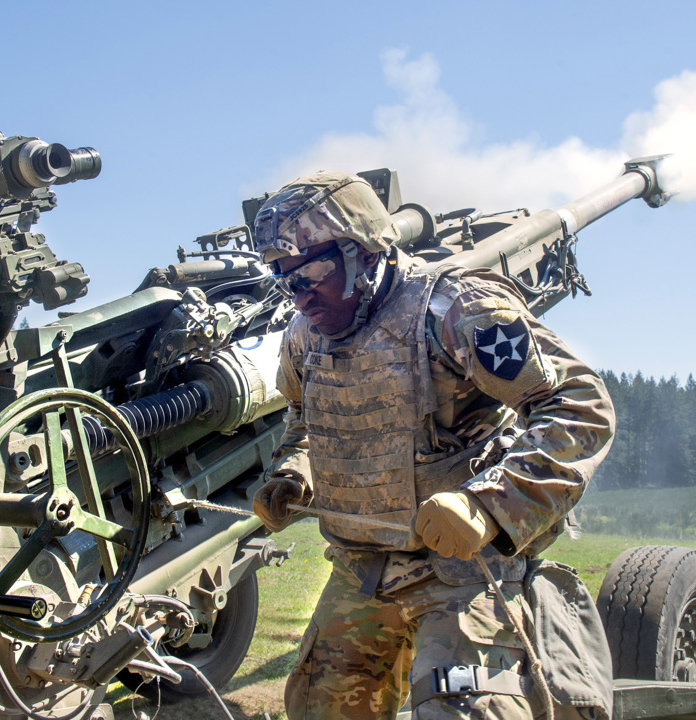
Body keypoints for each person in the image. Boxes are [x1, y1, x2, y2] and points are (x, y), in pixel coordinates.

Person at [252, 171, 616, 720]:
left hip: (461, 572)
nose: (299, 294)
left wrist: (488, 502)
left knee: (464, 711)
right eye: (284, 279)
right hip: (361, 569)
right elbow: (304, 419)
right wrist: (294, 472)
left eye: (312, 271)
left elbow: (579, 405)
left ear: (364, 251)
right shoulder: (306, 336)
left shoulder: (454, 310)